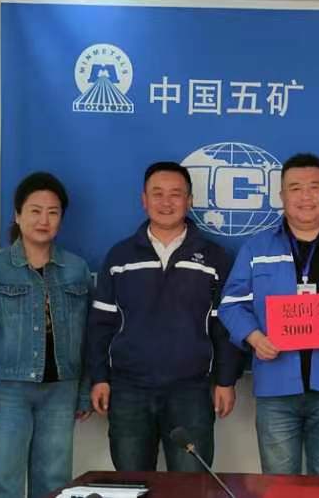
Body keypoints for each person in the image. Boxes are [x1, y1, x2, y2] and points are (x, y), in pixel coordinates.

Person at [219, 152, 319, 475]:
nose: (306, 196)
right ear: (282, 195)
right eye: (295, 188)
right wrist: (255, 338)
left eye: (314, 187)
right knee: (279, 484)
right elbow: (231, 303)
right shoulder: (257, 247)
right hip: (275, 385)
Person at [87, 161, 242, 472]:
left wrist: (226, 380)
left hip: (191, 391)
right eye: (157, 194)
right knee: (131, 485)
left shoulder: (214, 257)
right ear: (144, 200)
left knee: (190, 488)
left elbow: (225, 325)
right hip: (129, 390)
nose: (166, 202)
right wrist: (99, 378)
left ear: (190, 200)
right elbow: (100, 325)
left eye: (176, 194)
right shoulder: (120, 256)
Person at [0, 172, 92, 498]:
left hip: (61, 390)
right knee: (6, 483)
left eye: (53, 212)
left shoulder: (77, 269)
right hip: (9, 391)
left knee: (54, 483)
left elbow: (88, 337)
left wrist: (83, 392)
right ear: (18, 215)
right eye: (35, 211)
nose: (43, 220)